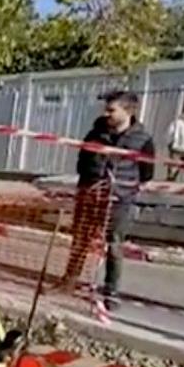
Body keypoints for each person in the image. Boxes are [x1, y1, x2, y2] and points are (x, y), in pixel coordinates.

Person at [62, 91, 155, 309]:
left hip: (120, 200)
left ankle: (111, 291)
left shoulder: (143, 140)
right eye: (107, 109)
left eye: (112, 110)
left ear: (128, 111)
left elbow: (147, 172)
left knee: (114, 245)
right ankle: (69, 280)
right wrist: (90, 182)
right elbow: (82, 163)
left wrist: (124, 187)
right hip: (91, 194)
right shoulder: (95, 133)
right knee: (80, 239)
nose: (107, 114)